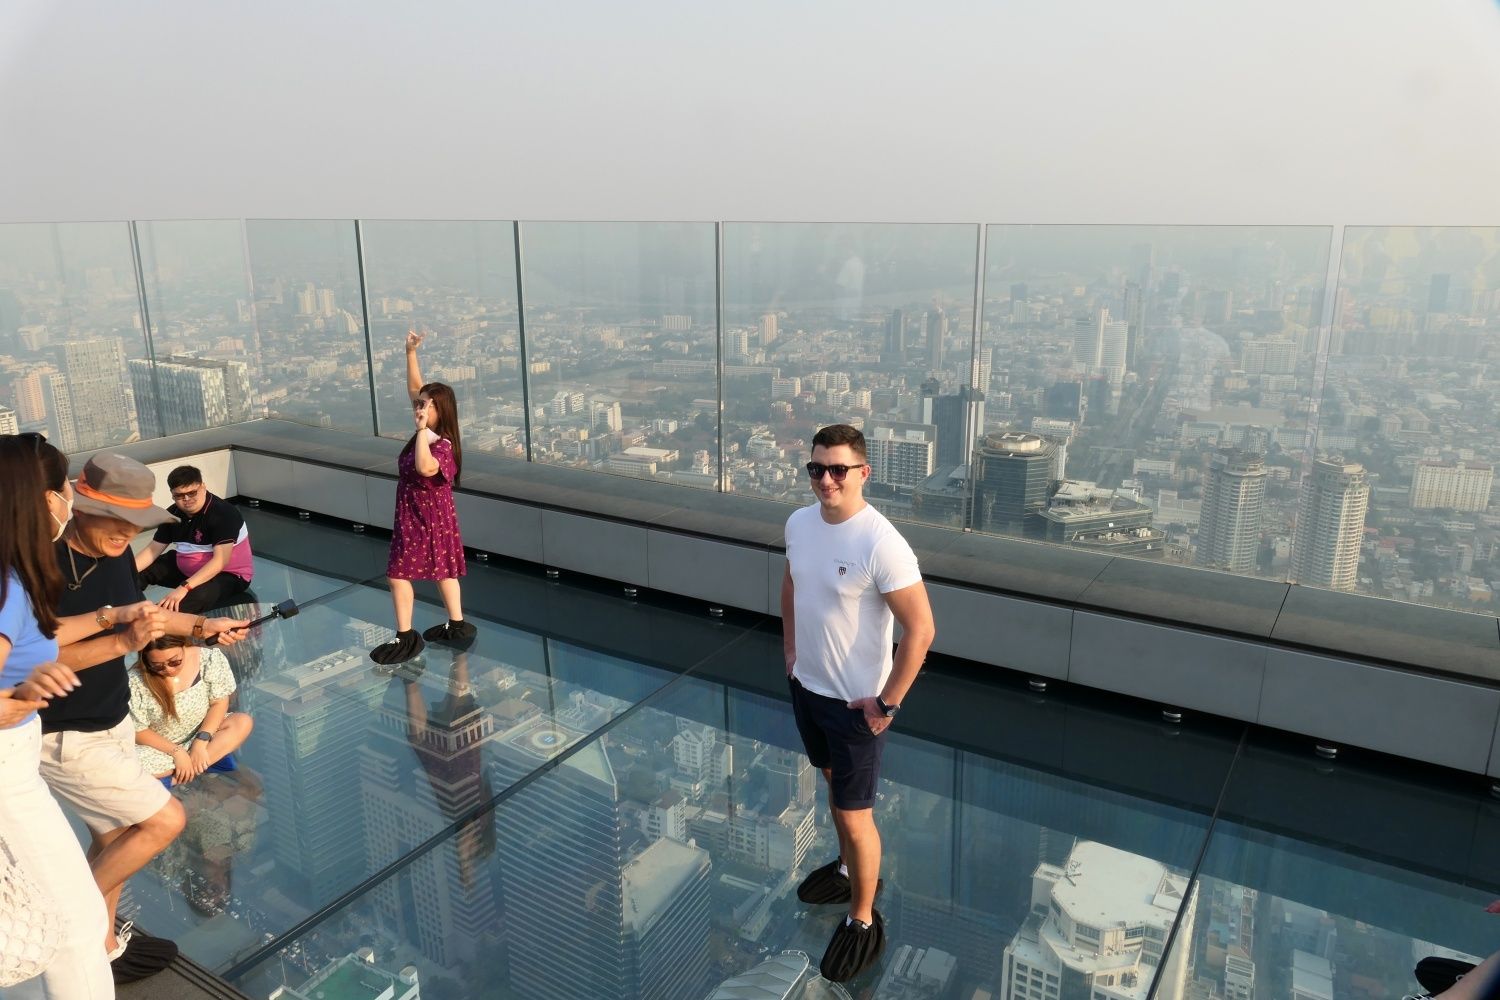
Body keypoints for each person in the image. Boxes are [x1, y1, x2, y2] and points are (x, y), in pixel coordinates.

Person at [41, 451, 248, 984]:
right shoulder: (43, 569)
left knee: (113, 840)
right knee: (164, 820)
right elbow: (34, 658)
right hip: (64, 733)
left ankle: (105, 947)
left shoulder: (116, 561)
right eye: (118, 520)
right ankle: (68, 934)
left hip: (109, 719)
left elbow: (148, 621)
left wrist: (204, 628)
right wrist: (119, 640)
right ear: (79, 508)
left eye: (137, 522)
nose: (128, 532)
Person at [781, 424, 935, 984]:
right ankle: (846, 869)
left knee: (854, 812)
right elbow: (793, 584)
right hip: (809, 687)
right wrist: (792, 649)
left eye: (837, 469)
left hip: (855, 708)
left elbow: (921, 630)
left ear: (862, 473)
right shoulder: (799, 523)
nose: (825, 479)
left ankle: (863, 919)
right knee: (829, 783)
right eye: (817, 468)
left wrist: (886, 704)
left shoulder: (881, 542)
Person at [0, 433, 123, 998]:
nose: (69, 499)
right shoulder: (6, 586)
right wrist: (21, 696)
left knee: (57, 919)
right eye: (62, 488)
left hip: (17, 772)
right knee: (76, 929)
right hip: (7, 778)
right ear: (42, 500)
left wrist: (115, 619)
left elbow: (40, 640)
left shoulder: (13, 576)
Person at [369, 329, 474, 664]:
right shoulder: (430, 431)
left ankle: (405, 638)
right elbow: (416, 388)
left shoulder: (439, 444)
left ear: (438, 411)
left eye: (425, 405)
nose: (418, 407)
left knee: (398, 574)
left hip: (423, 518)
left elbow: (426, 469)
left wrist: (418, 432)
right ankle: (456, 625)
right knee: (444, 570)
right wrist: (410, 353)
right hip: (426, 515)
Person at [129, 635, 252, 785]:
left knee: (242, 722)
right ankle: (194, 766)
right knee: (128, 768)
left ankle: (178, 776)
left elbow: (219, 702)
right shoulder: (135, 681)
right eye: (157, 666)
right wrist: (177, 752)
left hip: (201, 733)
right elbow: (138, 730)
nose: (168, 669)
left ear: (183, 646)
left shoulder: (207, 659)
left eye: (175, 661)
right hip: (159, 748)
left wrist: (201, 742)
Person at [135, 465, 253, 614]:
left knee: (193, 598)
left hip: (227, 575)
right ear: (172, 495)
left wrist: (184, 587)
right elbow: (152, 550)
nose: (186, 499)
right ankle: (123, 609)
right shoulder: (172, 514)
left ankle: (152, 620)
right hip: (186, 570)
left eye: (192, 493)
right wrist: (124, 574)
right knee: (135, 574)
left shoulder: (224, 514)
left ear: (203, 487)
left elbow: (220, 562)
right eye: (179, 495)